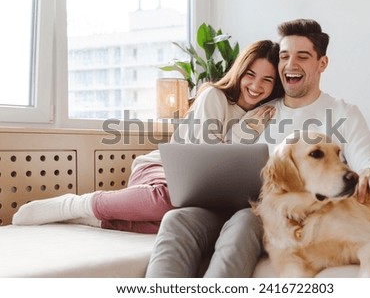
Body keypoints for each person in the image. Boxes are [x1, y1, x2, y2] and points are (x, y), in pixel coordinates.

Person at [145, 19, 370, 277]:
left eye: (302, 56)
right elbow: (222, 159)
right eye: (284, 56)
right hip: (229, 205)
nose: (290, 65)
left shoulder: (343, 114)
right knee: (177, 219)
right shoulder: (261, 110)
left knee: (244, 221)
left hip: (273, 215)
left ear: (322, 64)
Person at [12, 39, 284, 234]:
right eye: (250, 74)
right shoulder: (216, 97)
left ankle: (94, 220)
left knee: (178, 220)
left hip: (198, 192)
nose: (256, 85)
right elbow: (207, 158)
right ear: (240, 72)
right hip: (161, 172)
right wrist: (244, 130)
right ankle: (75, 204)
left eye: (267, 80)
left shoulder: (267, 114)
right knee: (166, 201)